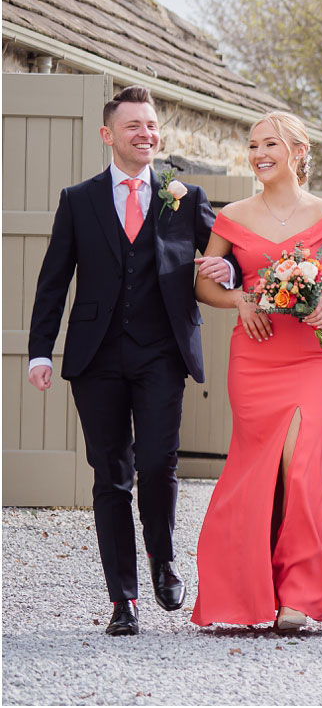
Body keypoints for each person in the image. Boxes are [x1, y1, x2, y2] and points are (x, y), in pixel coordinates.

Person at [26, 86, 238, 636]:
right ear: (108, 135)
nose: (146, 134)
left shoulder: (184, 197)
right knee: (111, 475)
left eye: (151, 125)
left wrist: (229, 273)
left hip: (162, 353)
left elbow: (223, 255)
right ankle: (124, 598)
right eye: (133, 126)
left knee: (157, 466)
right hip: (96, 358)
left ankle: (163, 560)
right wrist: (39, 351)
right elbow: (53, 281)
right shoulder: (79, 199)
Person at [191, 114, 322, 632]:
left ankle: (300, 592)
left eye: (269, 144)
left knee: (300, 462)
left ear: (297, 150)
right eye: (252, 146)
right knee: (259, 468)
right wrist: (238, 299)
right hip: (255, 353)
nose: (258, 153)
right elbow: (205, 285)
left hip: (311, 355)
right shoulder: (232, 216)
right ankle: (248, 588)